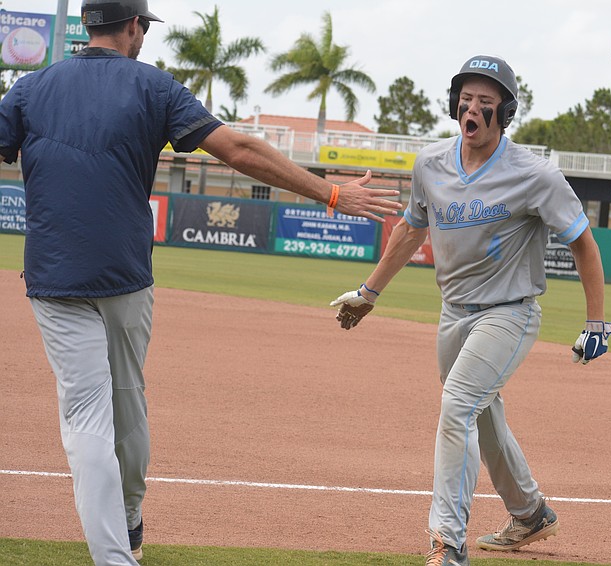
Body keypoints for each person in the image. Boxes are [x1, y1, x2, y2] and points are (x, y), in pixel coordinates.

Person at [0, 1, 402, 564]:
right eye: (144, 27)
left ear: (88, 24)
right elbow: (237, 150)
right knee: (127, 402)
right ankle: (131, 522)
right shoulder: (154, 86)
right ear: (134, 26)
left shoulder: (28, 88)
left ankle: (116, 555)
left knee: (85, 418)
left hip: (53, 273)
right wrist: (331, 193)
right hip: (124, 275)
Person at [330, 55, 611, 566]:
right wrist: (369, 293)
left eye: (484, 104)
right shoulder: (431, 165)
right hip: (453, 314)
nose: (471, 110)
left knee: (457, 406)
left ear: (503, 114)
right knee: (482, 418)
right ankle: (530, 513)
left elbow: (583, 242)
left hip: (509, 313)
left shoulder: (535, 175)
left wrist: (595, 321)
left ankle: (447, 545)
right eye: (465, 100)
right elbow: (410, 230)